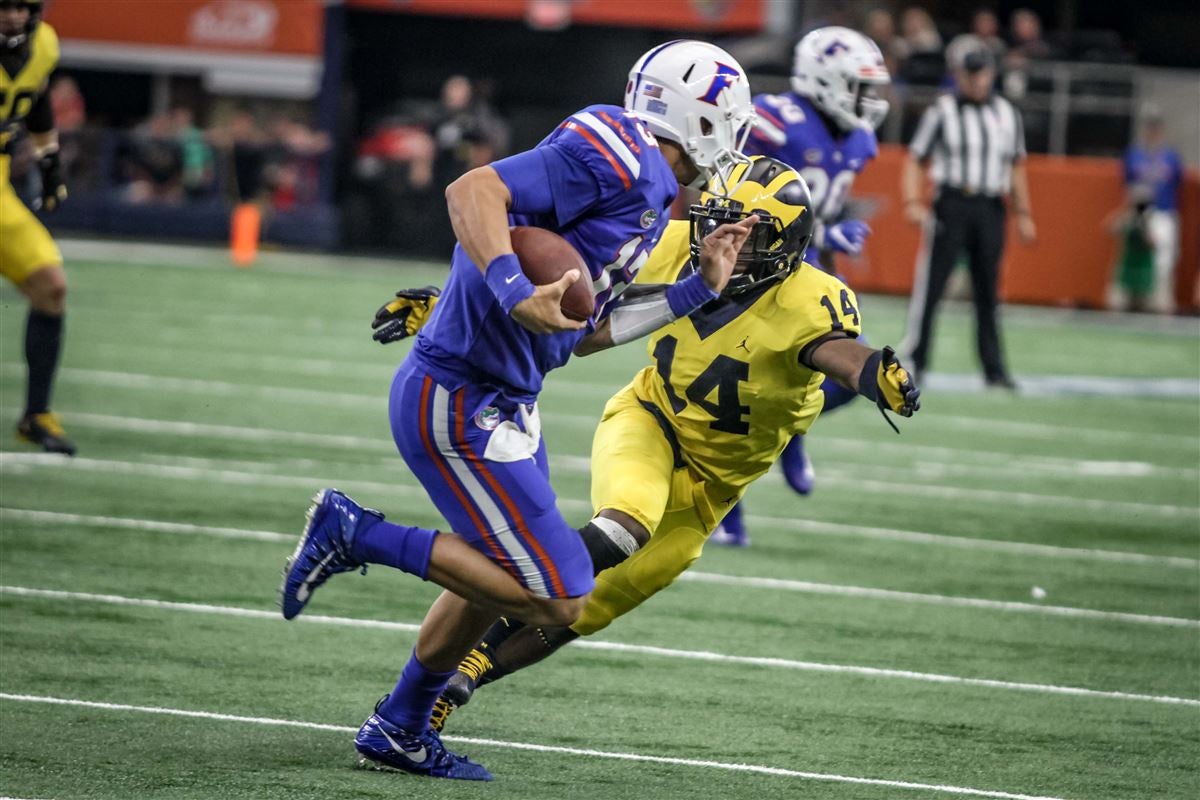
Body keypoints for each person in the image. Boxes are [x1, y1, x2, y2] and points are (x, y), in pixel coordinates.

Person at [278, 41, 758, 781]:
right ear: (701, 118)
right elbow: (473, 191)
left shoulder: (650, 184)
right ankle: (357, 532)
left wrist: (697, 289)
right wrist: (507, 287)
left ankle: (399, 725)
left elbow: (578, 330)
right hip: (460, 396)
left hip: (506, 399)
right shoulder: (618, 148)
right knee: (562, 595)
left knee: (494, 572)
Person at [416, 157, 920, 733]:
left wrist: (874, 372)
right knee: (624, 522)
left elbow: (836, 351)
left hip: (714, 490)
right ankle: (489, 602)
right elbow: (560, 285)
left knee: (587, 606)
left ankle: (461, 679)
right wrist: (442, 302)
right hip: (650, 420)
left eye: (747, 235)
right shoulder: (678, 245)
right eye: (716, 223)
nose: (722, 244)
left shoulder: (810, 299)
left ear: (787, 246)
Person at [715, 26, 890, 544]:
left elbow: (826, 201)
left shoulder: (857, 137)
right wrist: (822, 228)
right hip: (751, 271)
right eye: (860, 87)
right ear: (826, 81)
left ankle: (793, 432)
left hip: (808, 273)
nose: (870, 101)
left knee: (858, 374)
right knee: (734, 397)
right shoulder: (775, 121)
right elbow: (733, 188)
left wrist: (828, 233)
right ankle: (728, 518)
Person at [899, 36, 1036, 389]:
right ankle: (918, 359)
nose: (975, 80)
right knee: (932, 285)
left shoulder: (1007, 114)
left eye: (981, 73)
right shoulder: (941, 111)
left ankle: (994, 369)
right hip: (953, 203)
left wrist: (1024, 213)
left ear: (991, 74)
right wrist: (913, 202)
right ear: (959, 75)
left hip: (991, 205)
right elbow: (915, 159)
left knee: (989, 290)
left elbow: (1016, 165)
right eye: (969, 73)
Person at [0, 0, 73, 455]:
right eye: (2, 7)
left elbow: (36, 98)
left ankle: (36, 415)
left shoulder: (43, 44)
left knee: (51, 287)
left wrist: (49, 162)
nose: (11, 16)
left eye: (20, 7)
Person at [1123, 110, 1182, 313]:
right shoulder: (1134, 155)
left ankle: (1161, 304)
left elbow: (1176, 183)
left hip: (1164, 211)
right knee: (1133, 258)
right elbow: (1129, 186)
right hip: (1140, 212)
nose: (1153, 132)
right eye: (1150, 128)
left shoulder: (1171, 157)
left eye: (1156, 128)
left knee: (1163, 260)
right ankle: (1135, 302)